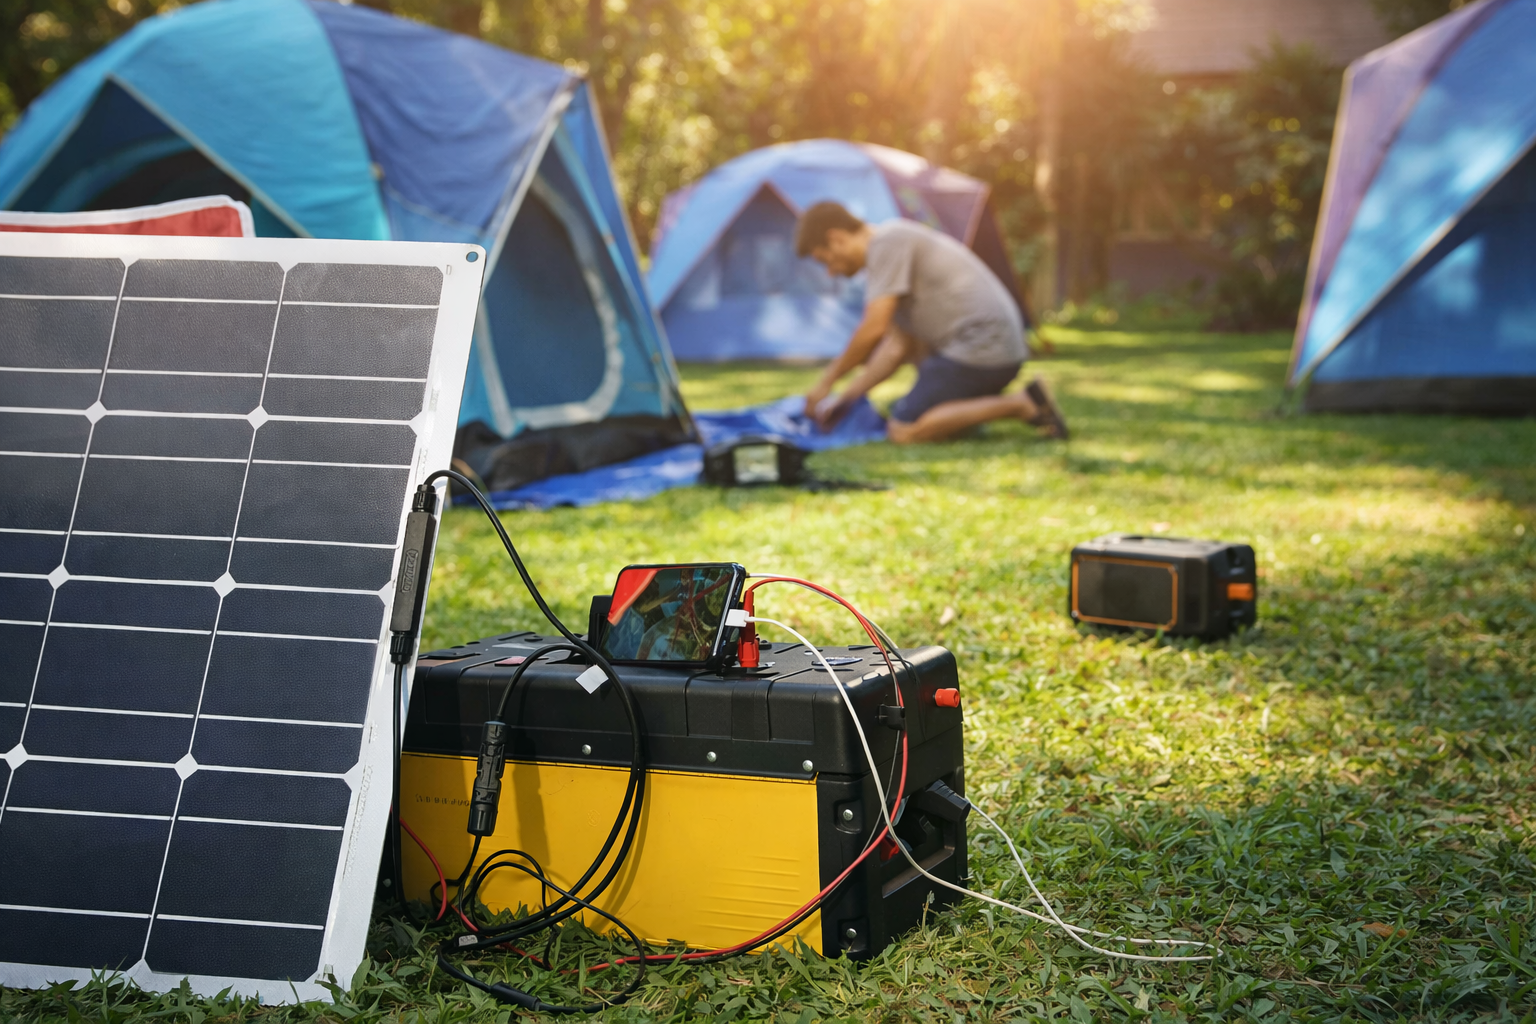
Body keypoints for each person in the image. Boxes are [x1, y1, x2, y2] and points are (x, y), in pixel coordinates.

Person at [797, 202, 1068, 443]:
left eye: (826, 260)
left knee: (903, 429)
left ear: (836, 238)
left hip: (980, 351)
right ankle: (964, 422)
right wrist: (845, 400)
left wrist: (827, 381)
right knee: (902, 408)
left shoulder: (887, 243)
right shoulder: (889, 253)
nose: (831, 272)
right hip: (990, 353)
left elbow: (873, 328)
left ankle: (1023, 404)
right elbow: (895, 348)